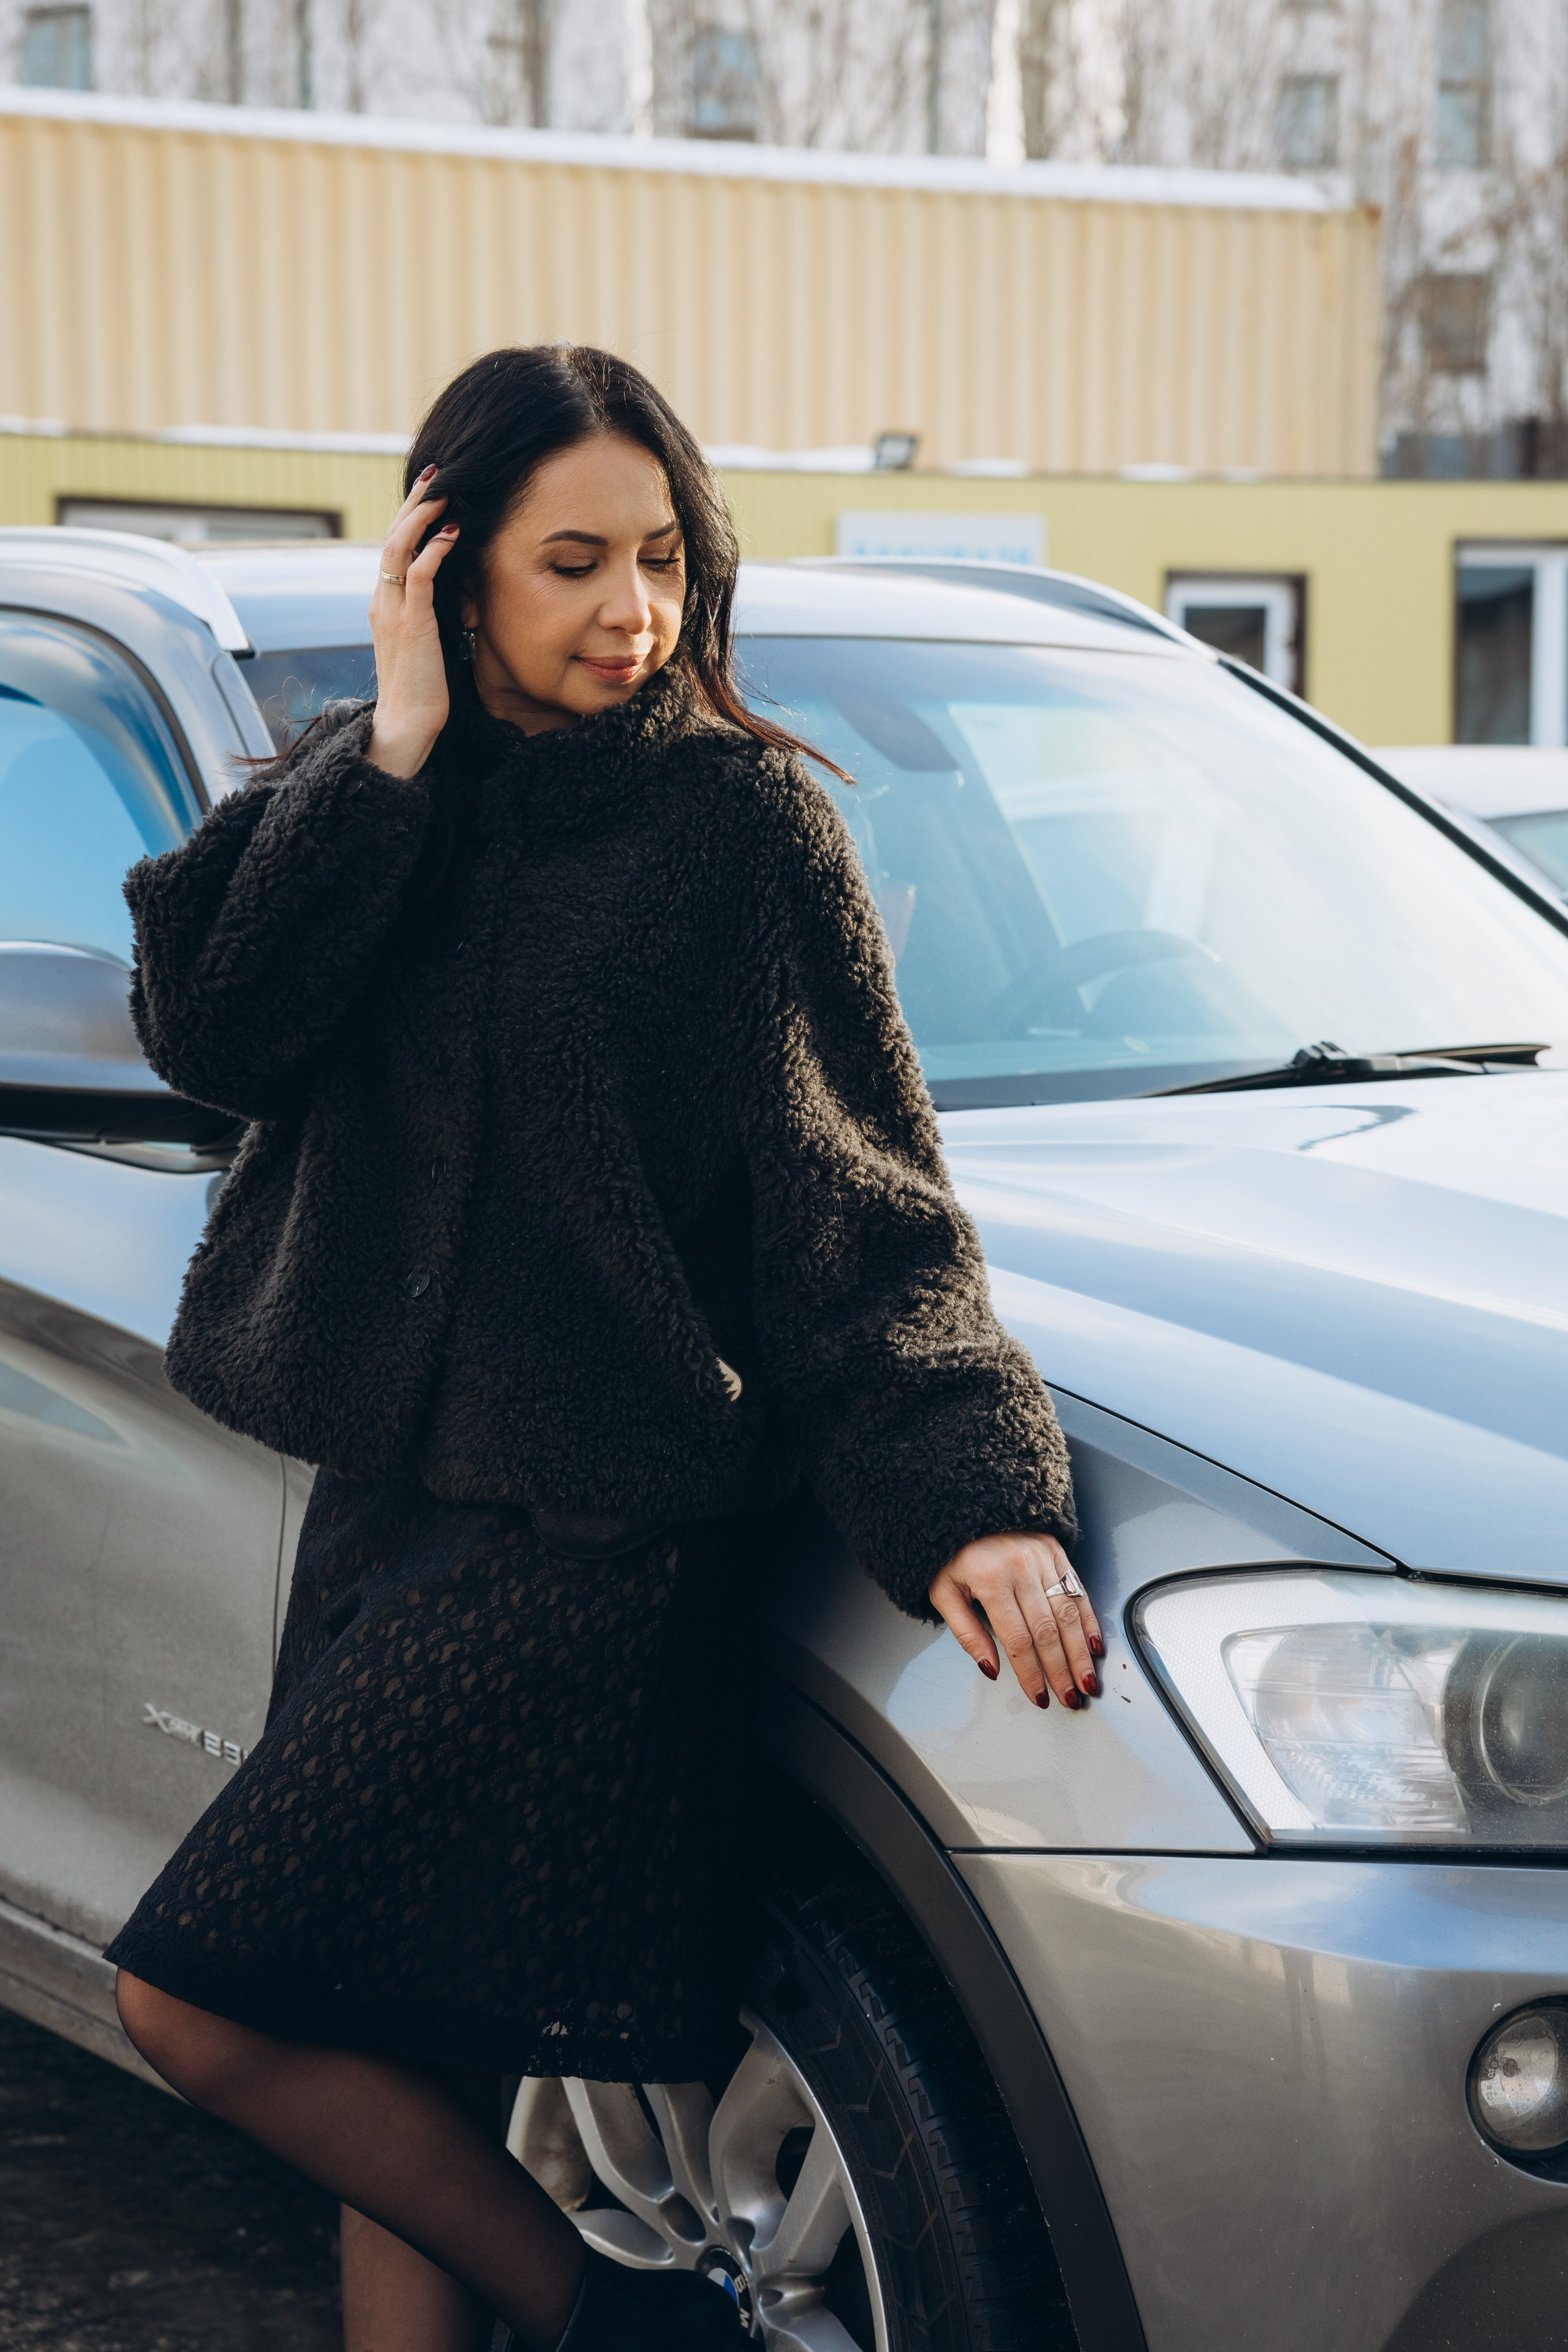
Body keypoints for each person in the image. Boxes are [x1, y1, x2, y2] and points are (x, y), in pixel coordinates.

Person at [105, 344, 1098, 2352]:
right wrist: (389, 754)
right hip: (383, 1515)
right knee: (396, 2044)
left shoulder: (744, 830)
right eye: (573, 564)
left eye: (660, 558)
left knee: (196, 1999)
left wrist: (972, 1495)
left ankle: (630, 2331)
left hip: (586, 1543)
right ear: (448, 562)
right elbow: (213, 1027)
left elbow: (859, 1202)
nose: (633, 612)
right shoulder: (357, 788)